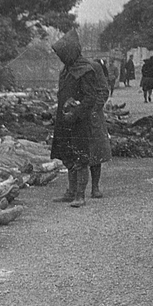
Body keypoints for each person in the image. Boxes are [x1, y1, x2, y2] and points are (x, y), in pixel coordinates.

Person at [50, 29, 112, 207]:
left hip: (85, 118)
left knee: (86, 155)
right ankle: (71, 191)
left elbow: (94, 95)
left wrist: (82, 111)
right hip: (67, 119)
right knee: (69, 156)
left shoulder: (88, 68)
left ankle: (84, 192)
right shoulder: (66, 70)